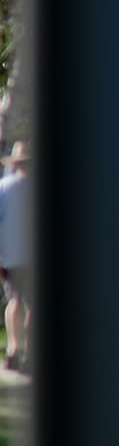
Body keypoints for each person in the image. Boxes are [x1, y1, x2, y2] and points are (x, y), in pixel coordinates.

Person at [0, 142, 28, 374]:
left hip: (11, 254)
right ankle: (29, 350)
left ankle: (14, 348)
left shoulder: (4, 187)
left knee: (15, 301)